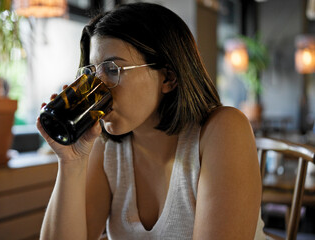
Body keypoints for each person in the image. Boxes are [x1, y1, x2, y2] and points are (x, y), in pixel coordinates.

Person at [37, 3, 265, 240]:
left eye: (113, 70)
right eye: (92, 74)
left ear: (168, 77)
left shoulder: (224, 130)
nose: (97, 88)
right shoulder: (107, 148)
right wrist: (70, 162)